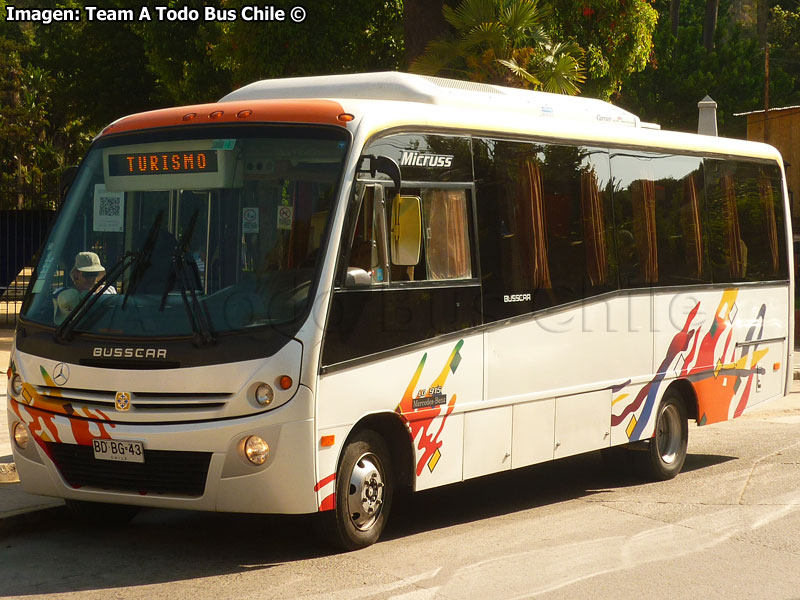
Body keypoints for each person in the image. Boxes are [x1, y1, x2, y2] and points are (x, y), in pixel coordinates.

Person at [53, 251, 116, 324]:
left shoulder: (109, 291)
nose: (91, 279)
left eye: (94, 273)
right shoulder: (62, 295)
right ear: (76, 274)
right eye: (88, 274)